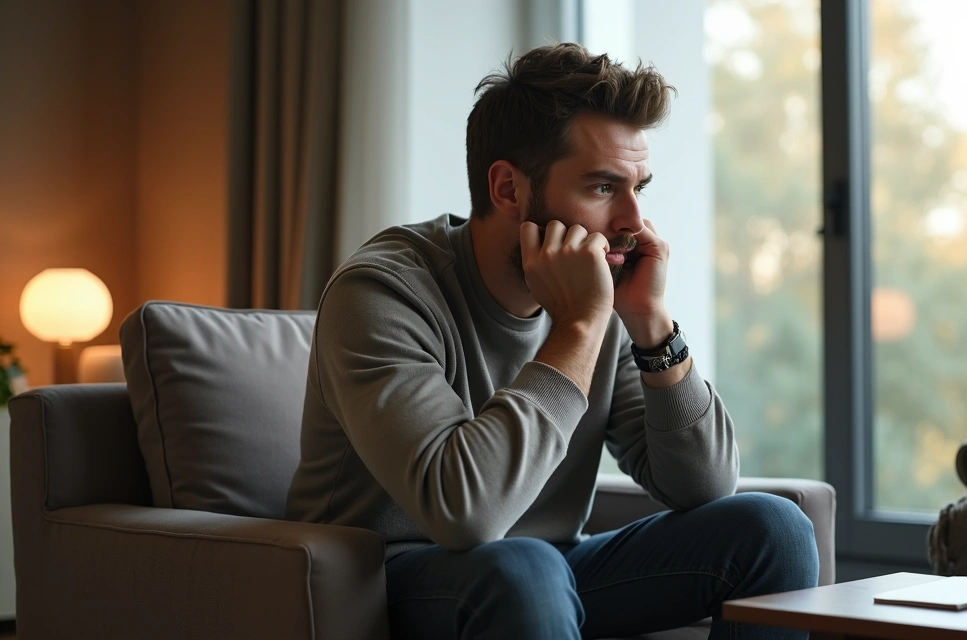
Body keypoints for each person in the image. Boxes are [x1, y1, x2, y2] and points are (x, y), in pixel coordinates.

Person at [285, 43, 819, 639]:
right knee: (523, 567)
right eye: (601, 188)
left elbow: (703, 486)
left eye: (639, 186)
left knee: (774, 530)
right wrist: (581, 327)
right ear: (509, 189)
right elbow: (464, 513)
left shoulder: (604, 293)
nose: (634, 222)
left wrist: (649, 322)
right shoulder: (382, 293)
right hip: (390, 584)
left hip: (550, 573)